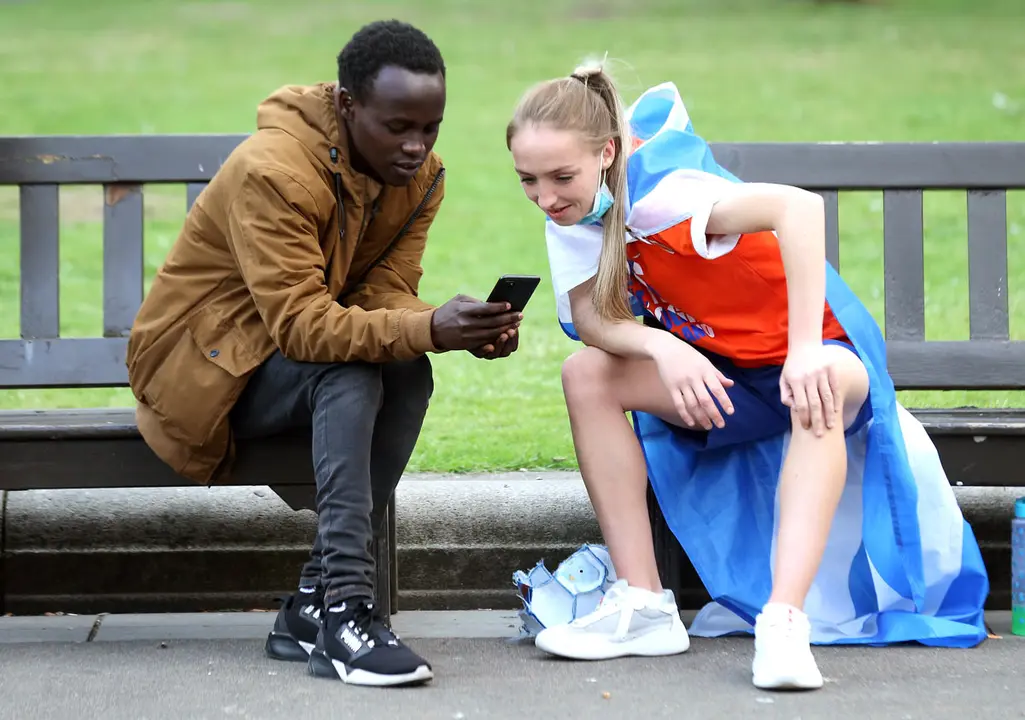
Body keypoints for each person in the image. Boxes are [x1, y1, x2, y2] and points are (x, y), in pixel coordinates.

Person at [505, 61, 990, 691]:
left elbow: (798, 209)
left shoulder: (666, 191)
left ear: (608, 153)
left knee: (820, 389)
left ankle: (783, 625)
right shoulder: (574, 219)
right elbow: (590, 319)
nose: (546, 197)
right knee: (587, 376)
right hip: (727, 375)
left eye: (561, 176)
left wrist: (807, 348)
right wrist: (663, 349)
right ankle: (645, 604)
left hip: (814, 358)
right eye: (528, 181)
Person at [126, 20, 523, 688]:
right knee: (348, 374)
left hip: (277, 360)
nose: (416, 145)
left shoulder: (419, 176)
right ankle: (346, 610)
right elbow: (304, 328)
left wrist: (452, 325)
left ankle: (312, 606)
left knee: (402, 369)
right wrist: (429, 327)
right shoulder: (272, 171)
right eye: (398, 126)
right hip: (194, 375)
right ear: (346, 106)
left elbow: (382, 293)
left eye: (431, 127)